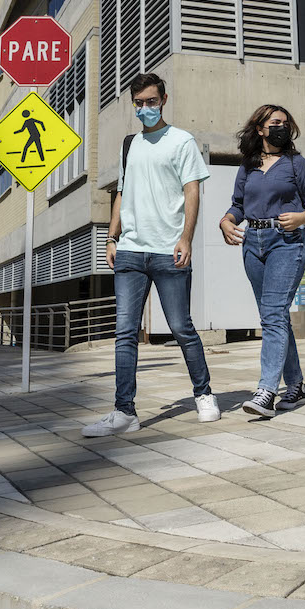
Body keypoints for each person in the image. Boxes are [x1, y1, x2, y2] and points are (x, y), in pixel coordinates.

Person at [83, 72, 217, 437]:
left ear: (164, 99)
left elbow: (193, 193)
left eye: (151, 102)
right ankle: (124, 411)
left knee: (180, 328)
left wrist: (186, 238)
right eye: (139, 103)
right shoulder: (130, 145)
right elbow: (122, 194)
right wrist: (111, 238)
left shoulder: (181, 141)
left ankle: (203, 394)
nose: (145, 109)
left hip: (167, 250)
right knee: (125, 332)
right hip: (129, 251)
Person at [219, 104, 305, 419]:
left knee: (273, 314)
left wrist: (302, 217)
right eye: (274, 122)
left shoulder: (296, 163)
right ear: (260, 128)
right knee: (273, 315)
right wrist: (226, 220)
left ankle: (266, 390)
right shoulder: (248, 165)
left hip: (287, 241)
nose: (281, 127)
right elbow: (238, 204)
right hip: (253, 242)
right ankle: (296, 385)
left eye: (285, 123)